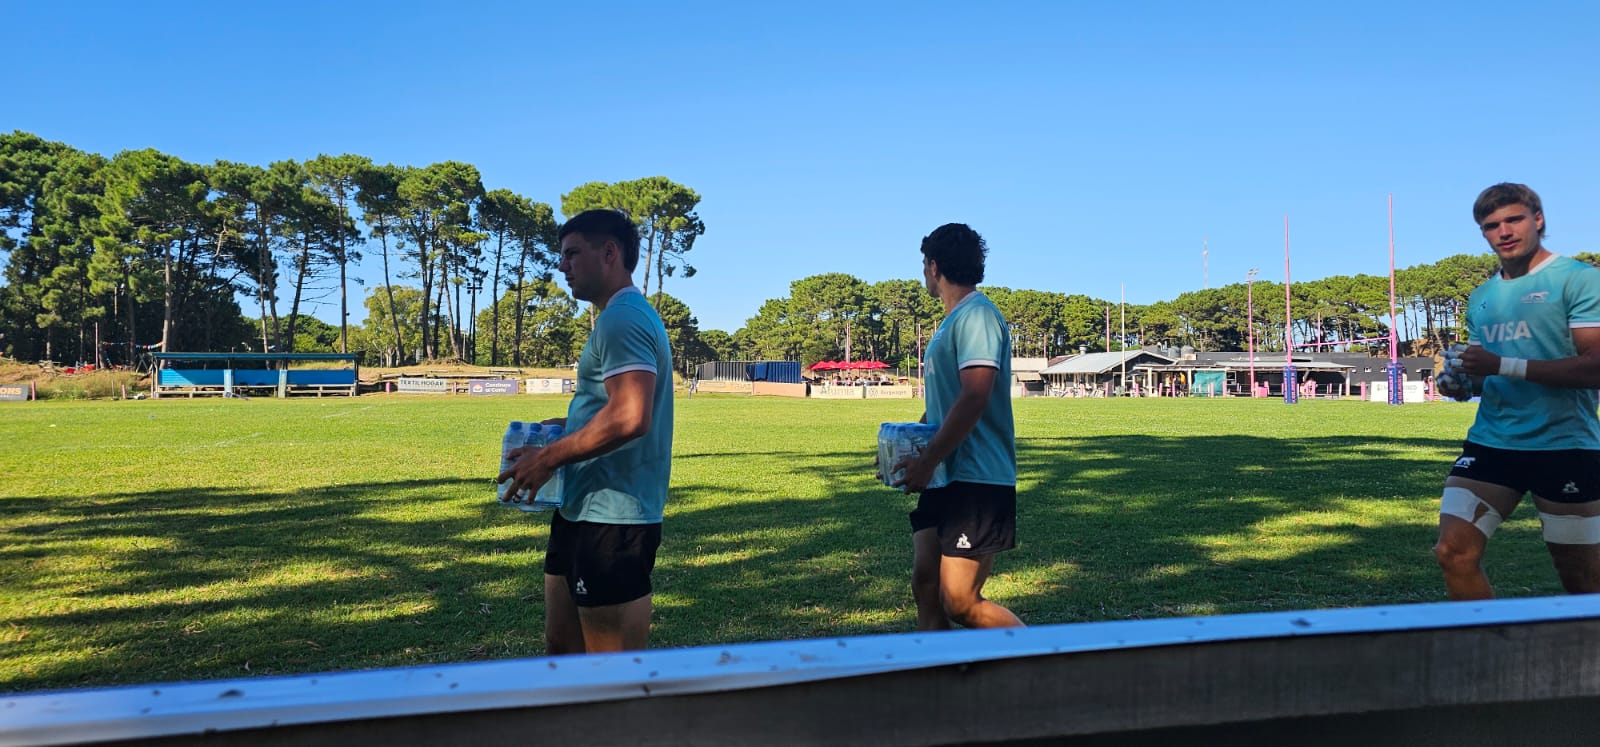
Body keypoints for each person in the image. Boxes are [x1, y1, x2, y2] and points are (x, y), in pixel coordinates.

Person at [498, 209, 674, 653]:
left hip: (612, 517)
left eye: (572, 253)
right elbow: (614, 405)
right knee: (562, 653)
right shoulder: (617, 318)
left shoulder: (624, 319)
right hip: (582, 509)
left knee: (608, 678)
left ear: (610, 253)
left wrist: (548, 458)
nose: (562, 266)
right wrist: (569, 426)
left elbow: (632, 416)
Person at [1432, 183, 1600, 600]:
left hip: (1565, 445)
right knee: (1453, 553)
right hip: (1493, 444)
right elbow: (1483, 375)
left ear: (1538, 220)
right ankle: (1491, 657)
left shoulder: (1579, 280)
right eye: (1491, 226)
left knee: (1582, 582)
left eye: (1514, 220)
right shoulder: (1483, 296)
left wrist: (1498, 366)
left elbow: (1595, 367)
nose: (1503, 231)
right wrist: (1461, 382)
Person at [892, 223, 1023, 630]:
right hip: (946, 475)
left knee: (960, 602)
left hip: (977, 478)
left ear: (933, 267)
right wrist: (906, 448)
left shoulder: (977, 316)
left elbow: (975, 395)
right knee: (926, 586)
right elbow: (944, 406)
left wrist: (928, 460)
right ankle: (942, 686)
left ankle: (1047, 668)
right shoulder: (950, 323)